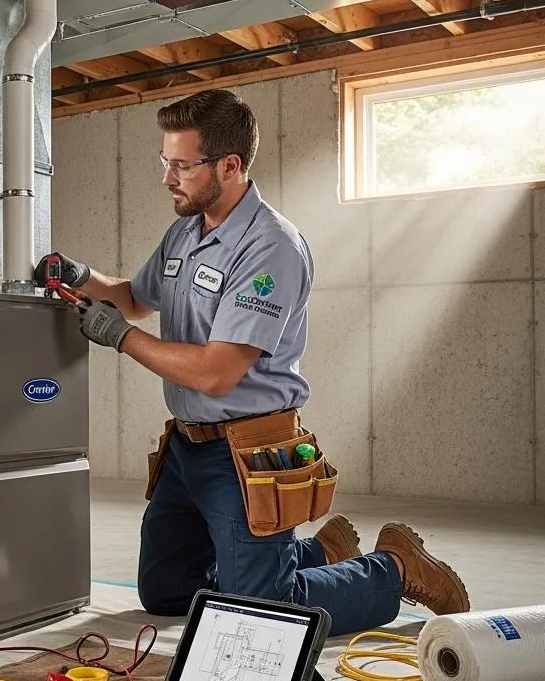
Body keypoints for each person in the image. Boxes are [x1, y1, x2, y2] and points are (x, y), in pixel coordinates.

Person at [35, 89, 469, 636]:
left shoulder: (271, 248)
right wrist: (81, 276)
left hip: (245, 452)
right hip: (186, 449)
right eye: (165, 161)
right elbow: (135, 298)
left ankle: (393, 568)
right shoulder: (186, 231)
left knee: (263, 615)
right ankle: (315, 554)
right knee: (166, 592)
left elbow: (216, 373)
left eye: (181, 165)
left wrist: (121, 338)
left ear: (230, 165)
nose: (167, 177)